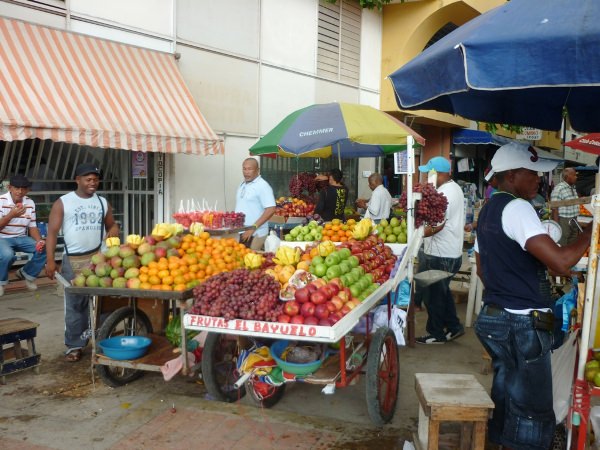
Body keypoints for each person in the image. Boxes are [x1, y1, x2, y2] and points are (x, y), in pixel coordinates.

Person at [474, 142, 592, 450]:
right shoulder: (517, 207)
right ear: (512, 175)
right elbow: (561, 261)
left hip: (495, 317)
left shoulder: (488, 210)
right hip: (522, 322)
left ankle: (500, 443)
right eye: (534, 173)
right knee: (531, 409)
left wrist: (514, 278)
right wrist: (592, 231)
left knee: (506, 395)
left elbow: (482, 269)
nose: (540, 179)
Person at [45, 163, 120, 362]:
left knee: (103, 301)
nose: (92, 182)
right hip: (73, 260)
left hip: (98, 259)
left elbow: (112, 225)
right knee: (75, 305)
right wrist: (50, 260)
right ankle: (75, 345)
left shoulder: (103, 202)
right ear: (77, 180)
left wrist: (114, 229)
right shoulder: (63, 202)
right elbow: (51, 233)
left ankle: (103, 340)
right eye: (88, 179)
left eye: (95, 179)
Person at [414, 156, 466, 344]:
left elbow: (438, 225)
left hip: (441, 255)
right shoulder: (453, 189)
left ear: (438, 173)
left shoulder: (446, 193)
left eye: (429, 172)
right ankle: (454, 327)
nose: (427, 175)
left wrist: (415, 236)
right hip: (448, 252)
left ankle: (436, 334)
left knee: (433, 296)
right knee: (442, 293)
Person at [0, 175, 46, 296]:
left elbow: (32, 226)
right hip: (2, 238)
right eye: (17, 188)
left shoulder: (30, 202)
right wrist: (11, 215)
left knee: (43, 248)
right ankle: (0, 282)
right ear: (10, 188)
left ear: (27, 190)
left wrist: (39, 240)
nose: (20, 191)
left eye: (23, 188)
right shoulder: (1, 201)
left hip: (21, 238)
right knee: (7, 254)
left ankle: (27, 274)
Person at [235, 158, 276, 251]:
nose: (246, 172)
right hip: (241, 231)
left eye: (250, 169)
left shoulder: (263, 186)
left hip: (256, 233)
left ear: (258, 170)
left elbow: (271, 209)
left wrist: (253, 228)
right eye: (244, 169)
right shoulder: (242, 184)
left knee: (251, 261)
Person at [551, 167, 580, 246]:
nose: (576, 177)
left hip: (574, 219)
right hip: (564, 221)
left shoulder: (573, 188)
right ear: (567, 177)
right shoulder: (559, 189)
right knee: (562, 243)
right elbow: (554, 209)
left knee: (572, 243)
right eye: (574, 175)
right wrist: (557, 227)